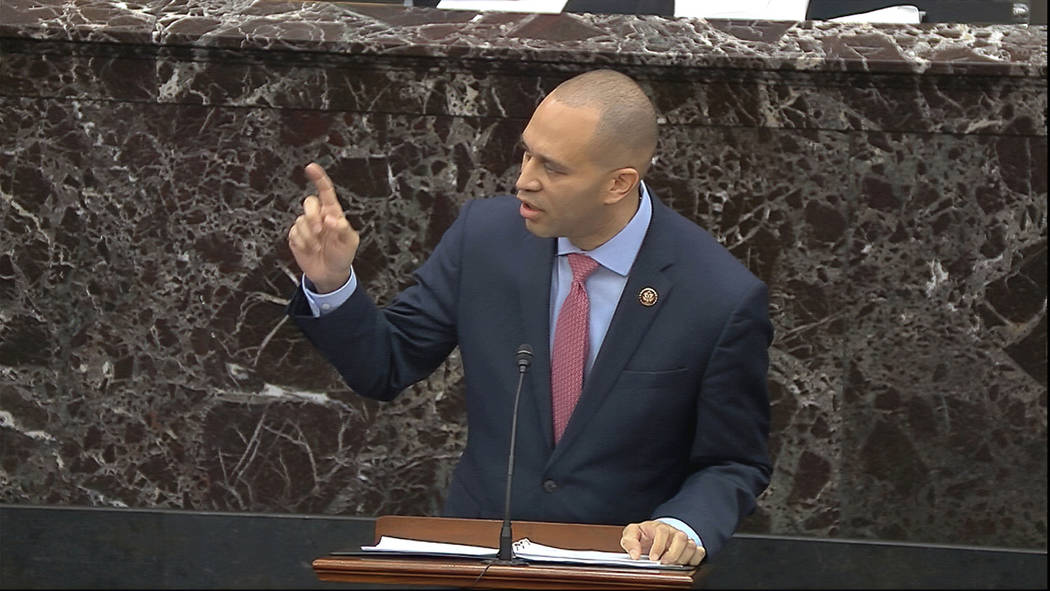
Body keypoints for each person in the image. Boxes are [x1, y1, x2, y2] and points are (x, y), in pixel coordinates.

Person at [286, 69, 772, 566]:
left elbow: (733, 460)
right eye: (527, 153)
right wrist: (332, 282)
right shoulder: (484, 238)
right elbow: (385, 365)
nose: (525, 180)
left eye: (554, 168)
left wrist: (680, 525)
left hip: (619, 568)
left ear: (619, 183)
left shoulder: (718, 296)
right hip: (480, 562)